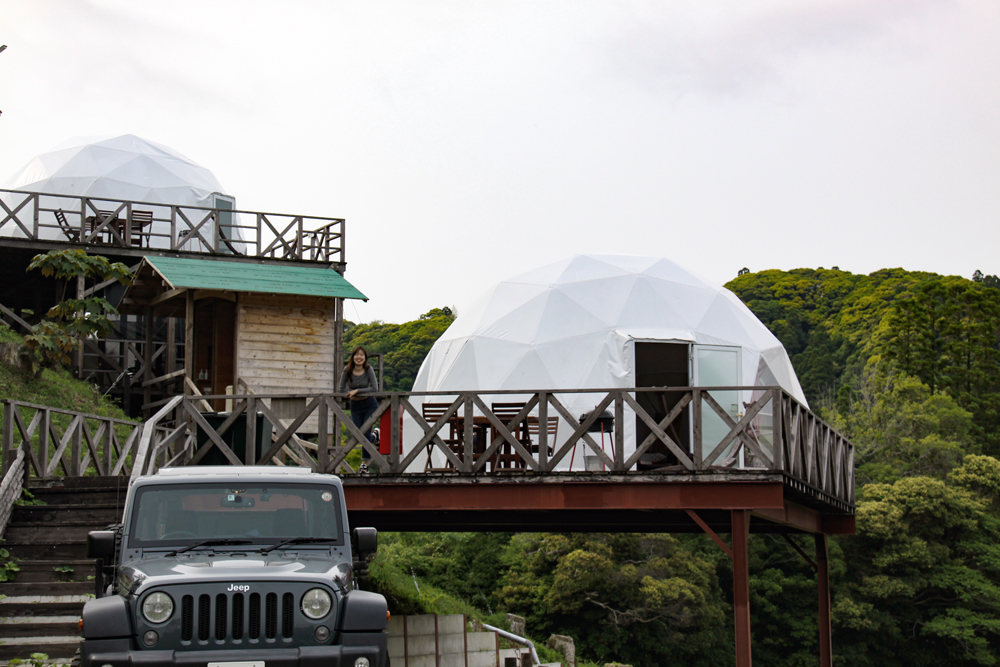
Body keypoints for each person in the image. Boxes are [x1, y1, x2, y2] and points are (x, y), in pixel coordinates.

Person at [339, 346, 380, 473]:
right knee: (358, 434)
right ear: (353, 357)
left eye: (362, 355)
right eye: (357, 355)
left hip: (370, 404)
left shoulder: (368, 369)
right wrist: (350, 392)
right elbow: (341, 389)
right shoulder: (347, 370)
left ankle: (364, 465)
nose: (359, 357)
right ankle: (376, 437)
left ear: (365, 358)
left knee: (364, 433)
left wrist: (357, 391)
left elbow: (374, 388)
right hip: (355, 406)